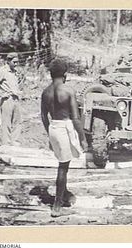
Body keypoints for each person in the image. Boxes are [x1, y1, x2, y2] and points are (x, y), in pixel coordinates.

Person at [41, 59, 88, 217]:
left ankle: (65, 193)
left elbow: (43, 115)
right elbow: (75, 118)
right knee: (63, 167)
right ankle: (57, 205)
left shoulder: (45, 92)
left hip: (53, 126)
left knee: (63, 163)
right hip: (64, 127)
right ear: (65, 74)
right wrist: (82, 138)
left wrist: (49, 133)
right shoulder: (68, 91)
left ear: (51, 74)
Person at [0, 52, 22, 146]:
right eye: (14, 62)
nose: (16, 64)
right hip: (7, 99)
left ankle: (14, 140)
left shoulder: (15, 71)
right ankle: (6, 143)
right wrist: (1, 94)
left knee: (17, 121)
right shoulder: (2, 71)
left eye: (17, 62)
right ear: (8, 61)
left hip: (16, 99)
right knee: (6, 122)